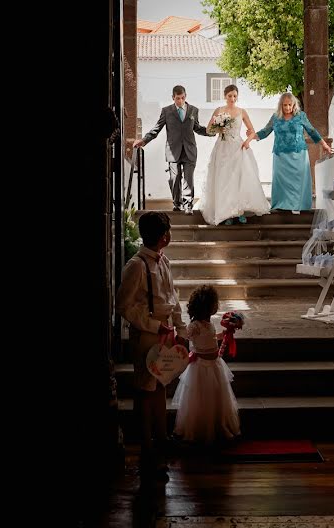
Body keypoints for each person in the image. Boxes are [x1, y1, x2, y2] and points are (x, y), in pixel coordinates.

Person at [116, 211, 187, 479]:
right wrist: (155, 326)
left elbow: (173, 297)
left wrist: (181, 330)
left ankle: (162, 438)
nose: (169, 235)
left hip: (166, 332)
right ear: (160, 235)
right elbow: (124, 306)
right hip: (148, 334)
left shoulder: (163, 261)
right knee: (145, 391)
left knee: (159, 386)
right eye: (166, 230)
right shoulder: (137, 265)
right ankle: (147, 450)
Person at [172, 285, 241, 444]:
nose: (217, 306)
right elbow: (184, 338)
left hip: (215, 365)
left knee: (216, 398)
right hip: (201, 367)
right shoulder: (194, 326)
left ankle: (219, 425)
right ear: (206, 306)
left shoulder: (209, 324)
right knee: (201, 399)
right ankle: (200, 428)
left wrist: (224, 334)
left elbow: (211, 337)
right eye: (215, 304)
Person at [244, 92, 333, 213]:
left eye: (289, 105)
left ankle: (300, 205)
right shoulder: (276, 117)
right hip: (280, 155)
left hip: (299, 155)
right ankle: (282, 205)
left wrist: (324, 145)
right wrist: (252, 136)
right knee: (281, 181)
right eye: (285, 105)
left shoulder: (301, 116)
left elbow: (312, 131)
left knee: (299, 182)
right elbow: (265, 132)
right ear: (281, 105)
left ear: (294, 104)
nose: (287, 108)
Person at [197, 84, 271, 226]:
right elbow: (208, 130)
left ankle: (240, 211)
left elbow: (252, 130)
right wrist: (219, 128)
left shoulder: (241, 111)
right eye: (230, 96)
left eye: (235, 96)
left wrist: (248, 142)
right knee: (224, 180)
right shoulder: (219, 110)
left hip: (238, 148)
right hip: (222, 149)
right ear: (225, 96)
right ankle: (226, 213)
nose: (232, 98)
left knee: (238, 180)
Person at [133, 85, 212, 214]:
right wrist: (144, 140)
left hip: (189, 149)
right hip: (173, 150)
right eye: (177, 98)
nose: (180, 101)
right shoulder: (167, 111)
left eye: (182, 98)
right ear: (173, 97)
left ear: (185, 96)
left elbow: (197, 128)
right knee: (174, 180)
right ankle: (177, 204)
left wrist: (211, 131)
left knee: (188, 178)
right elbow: (156, 128)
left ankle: (188, 206)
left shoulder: (193, 110)